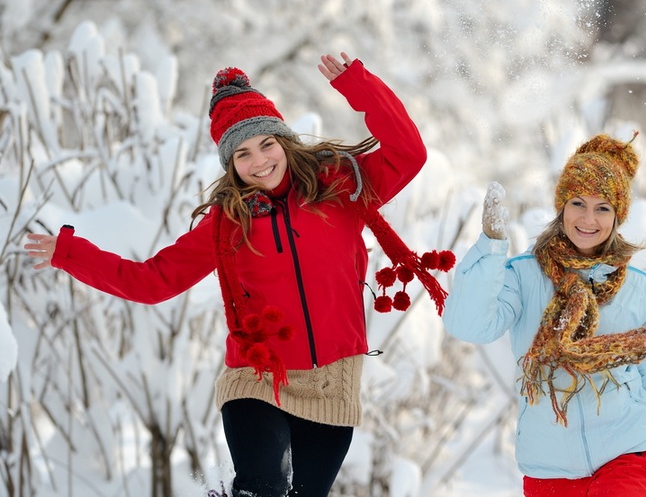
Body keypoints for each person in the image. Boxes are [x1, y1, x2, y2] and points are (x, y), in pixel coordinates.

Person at [25, 52, 453, 497]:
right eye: (243, 153)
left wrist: (358, 85)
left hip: (332, 380)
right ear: (231, 164)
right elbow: (152, 281)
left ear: (285, 140)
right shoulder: (229, 223)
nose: (260, 161)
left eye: (267, 144)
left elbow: (409, 152)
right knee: (262, 486)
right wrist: (71, 253)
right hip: (257, 376)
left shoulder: (340, 187)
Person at [442, 133, 646, 496]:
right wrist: (490, 245)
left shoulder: (638, 288)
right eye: (578, 202)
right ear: (561, 207)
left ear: (618, 215)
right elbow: (467, 325)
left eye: (603, 207)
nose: (588, 218)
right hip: (549, 463)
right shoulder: (525, 276)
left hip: (626, 451)